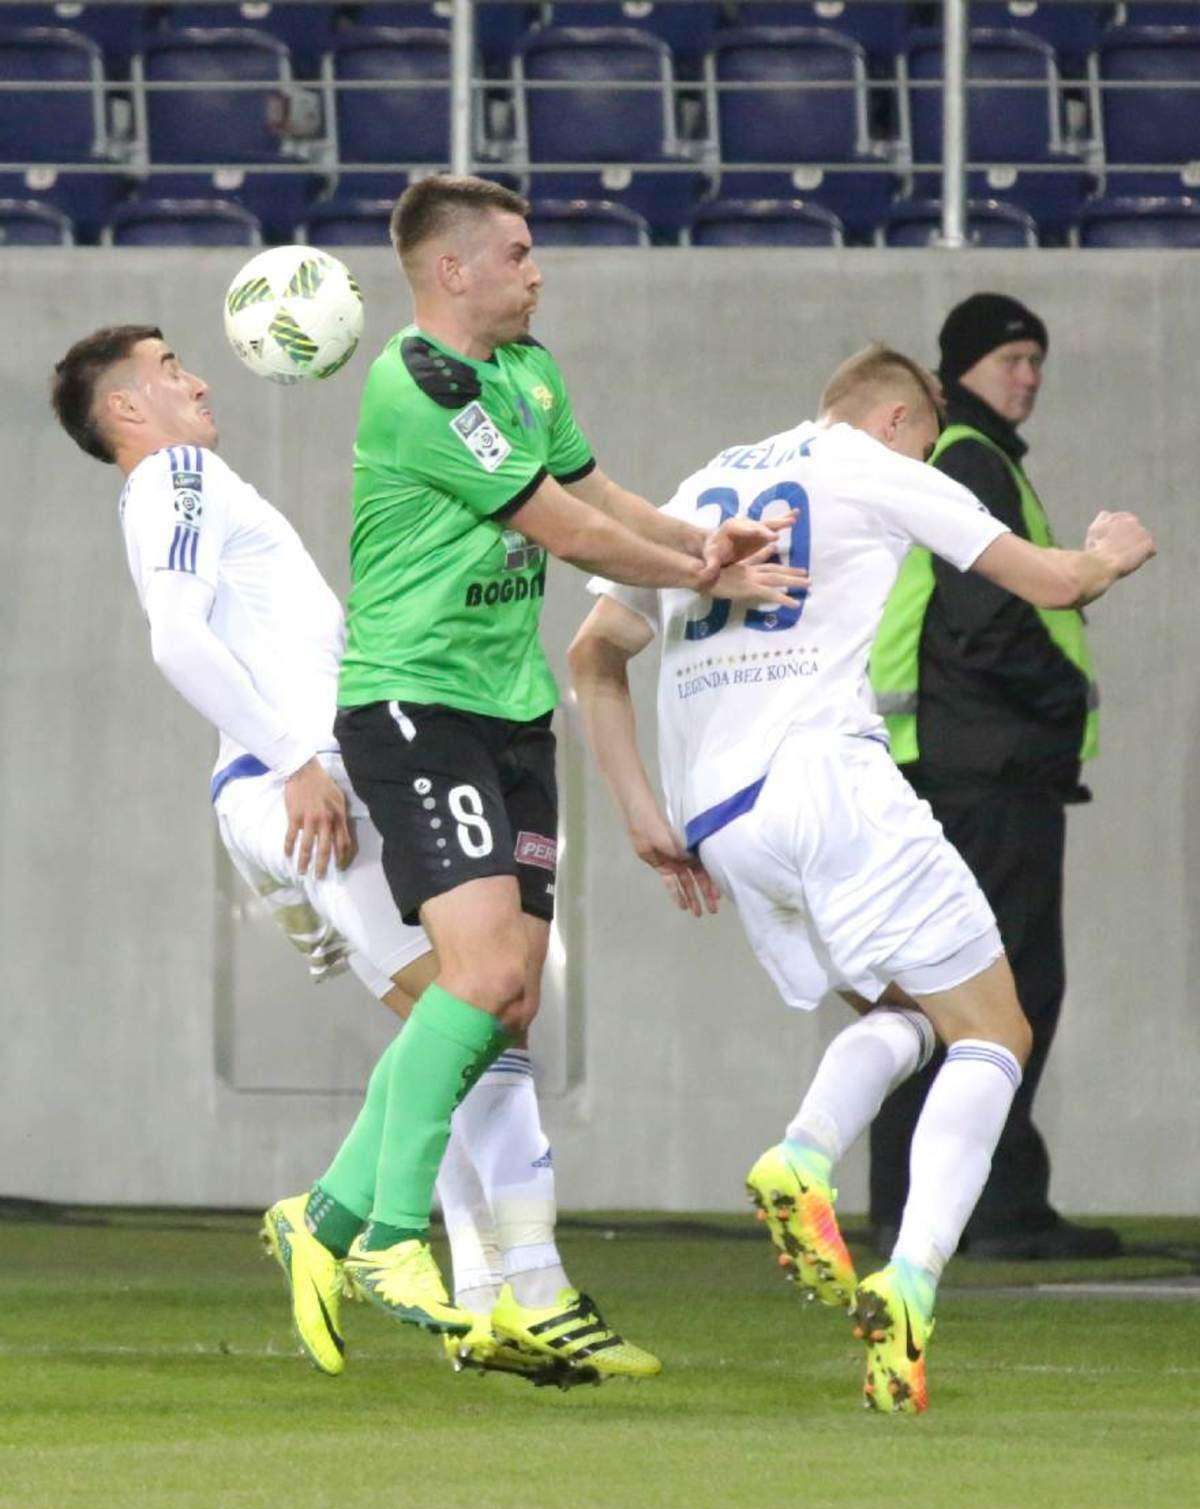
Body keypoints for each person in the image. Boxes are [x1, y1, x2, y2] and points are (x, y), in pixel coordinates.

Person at [49, 321, 661, 1388]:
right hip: (305, 782)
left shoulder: (183, 490)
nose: (198, 380)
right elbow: (176, 637)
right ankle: (459, 1261)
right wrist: (294, 759)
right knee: (483, 1002)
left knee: (464, 1024)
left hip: (292, 786)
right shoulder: (177, 477)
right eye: (170, 369)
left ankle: (476, 1289)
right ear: (127, 410)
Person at [567, 345, 1154, 1414]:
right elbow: (1053, 582)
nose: (924, 461)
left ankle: (807, 1162)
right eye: (925, 442)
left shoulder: (701, 487)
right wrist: (1109, 554)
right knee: (997, 1033)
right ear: (895, 421)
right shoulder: (870, 465)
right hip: (828, 783)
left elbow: (593, 655)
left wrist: (641, 811)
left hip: (721, 820)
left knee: (910, 1014)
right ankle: (903, 1269)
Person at [328, 172, 804, 1356]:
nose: (538, 271)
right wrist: (700, 575)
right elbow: (562, 526)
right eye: (518, 253)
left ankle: (323, 1214)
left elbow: (599, 492)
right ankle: (393, 1234)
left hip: (510, 710)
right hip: (415, 701)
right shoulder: (421, 384)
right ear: (452, 270)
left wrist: (701, 539)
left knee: (507, 999)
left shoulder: (529, 371)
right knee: (482, 973)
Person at [869, 293, 1119, 1261]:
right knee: (1010, 992)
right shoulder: (971, 460)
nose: (1029, 376)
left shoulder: (959, 456)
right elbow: (987, 622)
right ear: (961, 368)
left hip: (947, 766)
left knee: (937, 992)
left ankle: (918, 1204)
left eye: (1037, 360)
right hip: (990, 769)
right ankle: (995, 1206)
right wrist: (1058, 704)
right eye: (1012, 358)